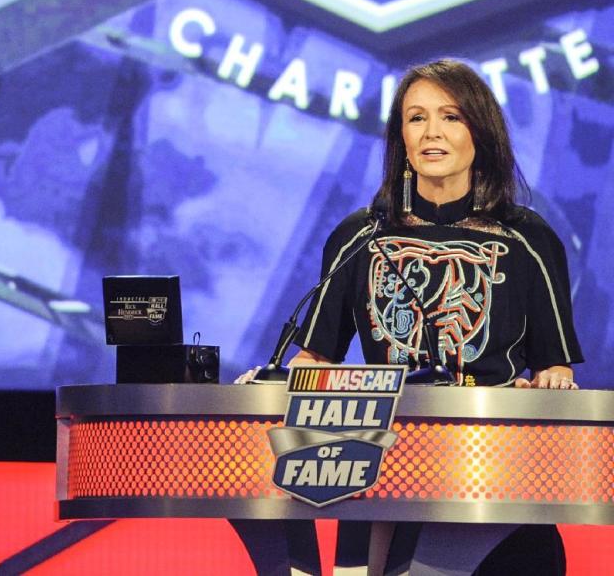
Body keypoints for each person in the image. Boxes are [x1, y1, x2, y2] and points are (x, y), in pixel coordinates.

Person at [239, 59, 583, 573]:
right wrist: (269, 384)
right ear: (401, 135)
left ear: (479, 132)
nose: (432, 133)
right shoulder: (361, 235)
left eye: (451, 117)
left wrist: (550, 385)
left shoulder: (527, 238)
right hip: (382, 475)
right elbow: (316, 359)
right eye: (416, 118)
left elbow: (555, 369)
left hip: (491, 483)